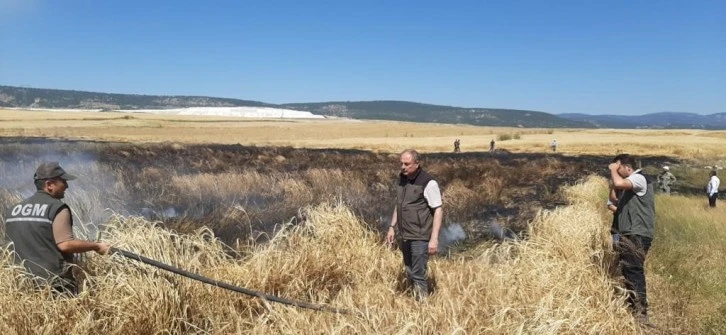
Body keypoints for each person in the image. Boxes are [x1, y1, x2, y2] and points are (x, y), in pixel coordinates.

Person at [4, 162, 110, 295]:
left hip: (20, 285)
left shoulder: (13, 210)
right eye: (63, 181)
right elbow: (65, 244)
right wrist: (96, 246)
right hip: (54, 286)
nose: (67, 185)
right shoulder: (57, 207)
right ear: (49, 185)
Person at [386, 149, 443, 300]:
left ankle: (422, 308)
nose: (403, 167)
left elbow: (438, 210)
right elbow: (400, 204)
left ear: (417, 164)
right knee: (409, 270)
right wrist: (392, 227)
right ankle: (414, 301)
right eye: (401, 163)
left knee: (418, 274)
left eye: (407, 164)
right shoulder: (402, 179)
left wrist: (434, 239)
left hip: (420, 235)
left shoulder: (428, 183)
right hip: (405, 234)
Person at [608, 154, 655, 323]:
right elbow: (613, 198)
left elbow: (619, 183)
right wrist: (613, 179)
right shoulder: (629, 185)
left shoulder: (639, 178)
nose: (617, 172)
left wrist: (614, 170)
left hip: (638, 233)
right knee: (627, 269)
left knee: (634, 270)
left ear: (628, 167)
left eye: (619, 168)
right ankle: (633, 308)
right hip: (628, 232)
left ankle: (641, 312)